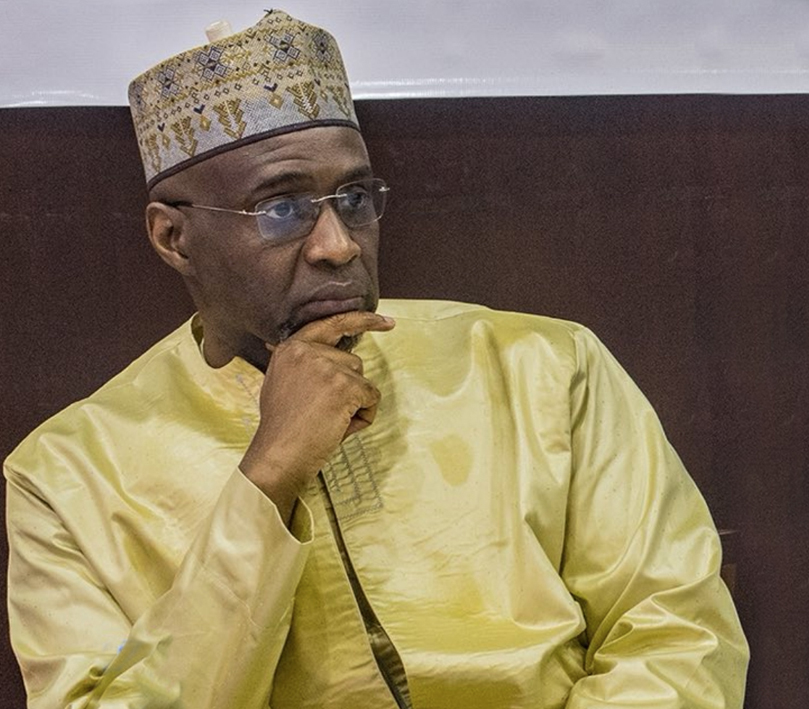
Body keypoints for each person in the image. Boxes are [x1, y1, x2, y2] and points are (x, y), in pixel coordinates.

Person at [4, 9, 749, 709]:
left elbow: (678, 635)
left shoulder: (542, 369)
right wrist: (267, 477)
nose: (338, 244)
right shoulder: (66, 474)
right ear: (173, 237)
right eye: (282, 209)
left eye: (355, 198)